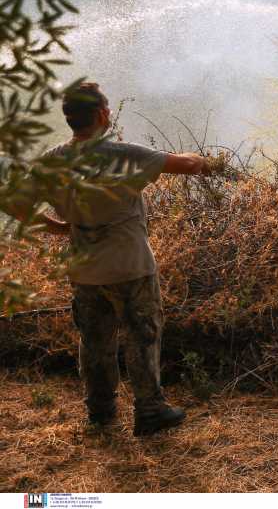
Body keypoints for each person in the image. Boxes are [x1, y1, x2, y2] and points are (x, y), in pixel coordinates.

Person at [38, 83, 226, 436]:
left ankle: (100, 412)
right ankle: (150, 411)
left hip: (84, 270)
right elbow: (187, 165)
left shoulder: (52, 160)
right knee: (142, 336)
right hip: (130, 267)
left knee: (94, 342)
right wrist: (210, 161)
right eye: (107, 106)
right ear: (101, 114)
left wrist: (59, 226)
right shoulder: (121, 154)